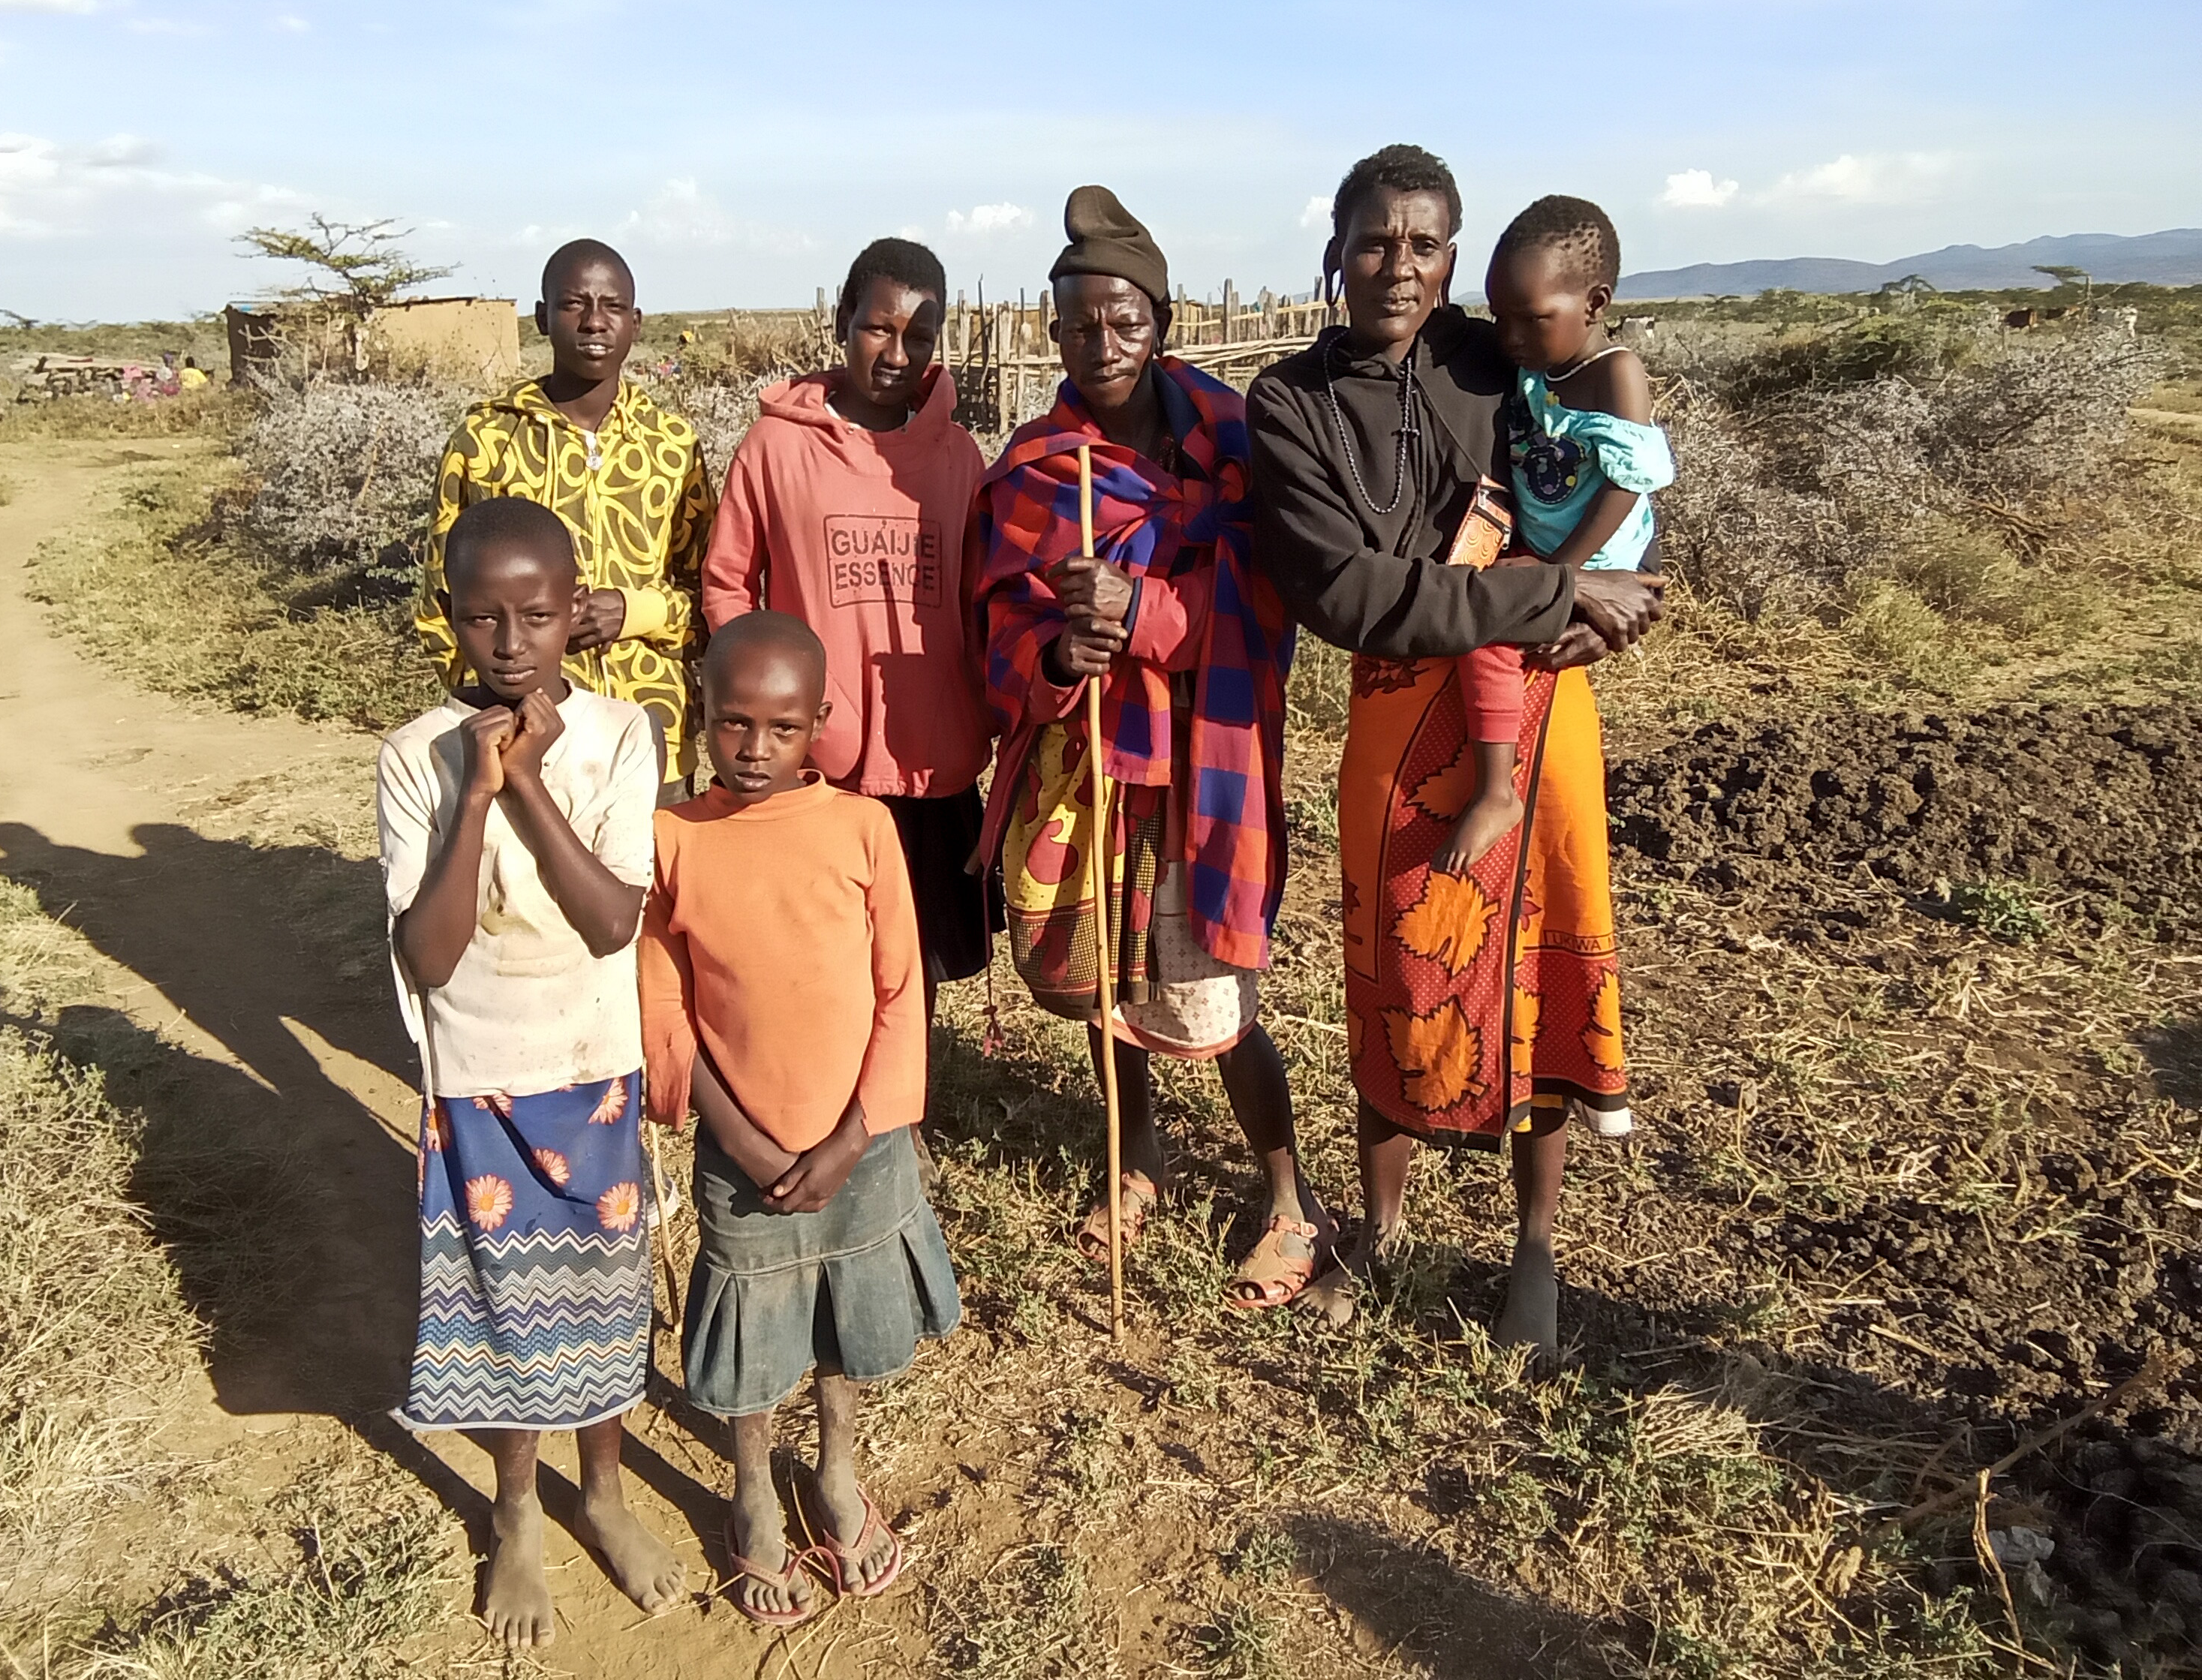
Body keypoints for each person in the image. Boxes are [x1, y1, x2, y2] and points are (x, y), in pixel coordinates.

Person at [1246, 145, 1665, 1351]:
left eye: (1424, 244)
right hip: (1396, 709)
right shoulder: (1291, 401)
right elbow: (1346, 591)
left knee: (1535, 958)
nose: (1398, 265)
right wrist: (1556, 595)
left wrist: (1628, 591)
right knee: (1395, 964)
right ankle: (1379, 1232)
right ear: (1336, 252)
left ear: (1452, 258)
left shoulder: (1494, 359)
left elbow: (1616, 468)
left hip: (1538, 706)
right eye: (1375, 241)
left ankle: (1533, 1244)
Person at [970, 185, 1323, 1309]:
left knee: (1214, 995)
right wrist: (1059, 651)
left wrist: (1147, 615)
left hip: (1202, 762)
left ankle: (1290, 1199)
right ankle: (1138, 1158)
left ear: (1161, 322)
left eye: (1124, 321)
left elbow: (1274, 596)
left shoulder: (1236, 444)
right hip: (1086, 762)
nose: (1103, 343)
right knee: (1107, 983)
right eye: (1079, 325)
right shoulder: (1039, 464)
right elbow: (998, 621)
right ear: (1052, 332)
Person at [376, 497, 687, 1648]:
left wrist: (532, 783)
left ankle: (602, 1493)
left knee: (600, 1302)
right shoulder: (417, 757)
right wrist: (476, 790)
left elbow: (610, 921)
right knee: (501, 1308)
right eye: (482, 618)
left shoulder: (620, 736)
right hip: (477, 1079)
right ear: (448, 615)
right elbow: (429, 953)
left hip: (591, 1062)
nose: (511, 644)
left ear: (576, 612)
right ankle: (516, 1510)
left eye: (539, 616)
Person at [639, 612, 959, 1626]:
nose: (754, 748)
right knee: (753, 1329)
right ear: (701, 711)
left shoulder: (862, 828)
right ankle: (750, 1493)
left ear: (821, 722)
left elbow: (901, 989)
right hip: (745, 1152)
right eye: (733, 722)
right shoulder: (672, 840)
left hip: (860, 1142)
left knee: (842, 1318)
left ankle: (836, 1471)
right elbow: (664, 1005)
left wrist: (856, 1134)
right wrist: (737, 1137)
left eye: (783, 727)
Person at [700, 237, 994, 1025]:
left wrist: (982, 706)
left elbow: (979, 601)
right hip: (817, 759)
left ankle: (906, 1098)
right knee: (818, 956)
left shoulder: (958, 457)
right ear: (842, 322)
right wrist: (770, 708)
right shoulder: (775, 447)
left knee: (914, 963)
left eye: (920, 336)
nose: (897, 355)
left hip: (929, 754)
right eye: (878, 329)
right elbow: (728, 584)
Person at [414, 239, 714, 804]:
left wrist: (636, 610)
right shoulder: (486, 442)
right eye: (574, 304)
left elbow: (713, 592)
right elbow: (440, 601)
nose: (594, 322)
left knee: (654, 864)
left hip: (653, 730)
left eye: (613, 307)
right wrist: (485, 709)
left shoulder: (672, 445)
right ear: (541, 317)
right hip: (522, 737)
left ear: (636, 323)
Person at [1437, 196, 1674, 874]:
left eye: (1531, 318)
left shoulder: (1615, 374)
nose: (1509, 336)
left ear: (1595, 304)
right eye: (1499, 317)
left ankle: (1495, 790)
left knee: (1488, 631)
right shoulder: (1534, 369)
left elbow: (1627, 485)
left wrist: (1560, 578)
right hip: (1551, 552)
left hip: (1598, 555)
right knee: (1485, 607)